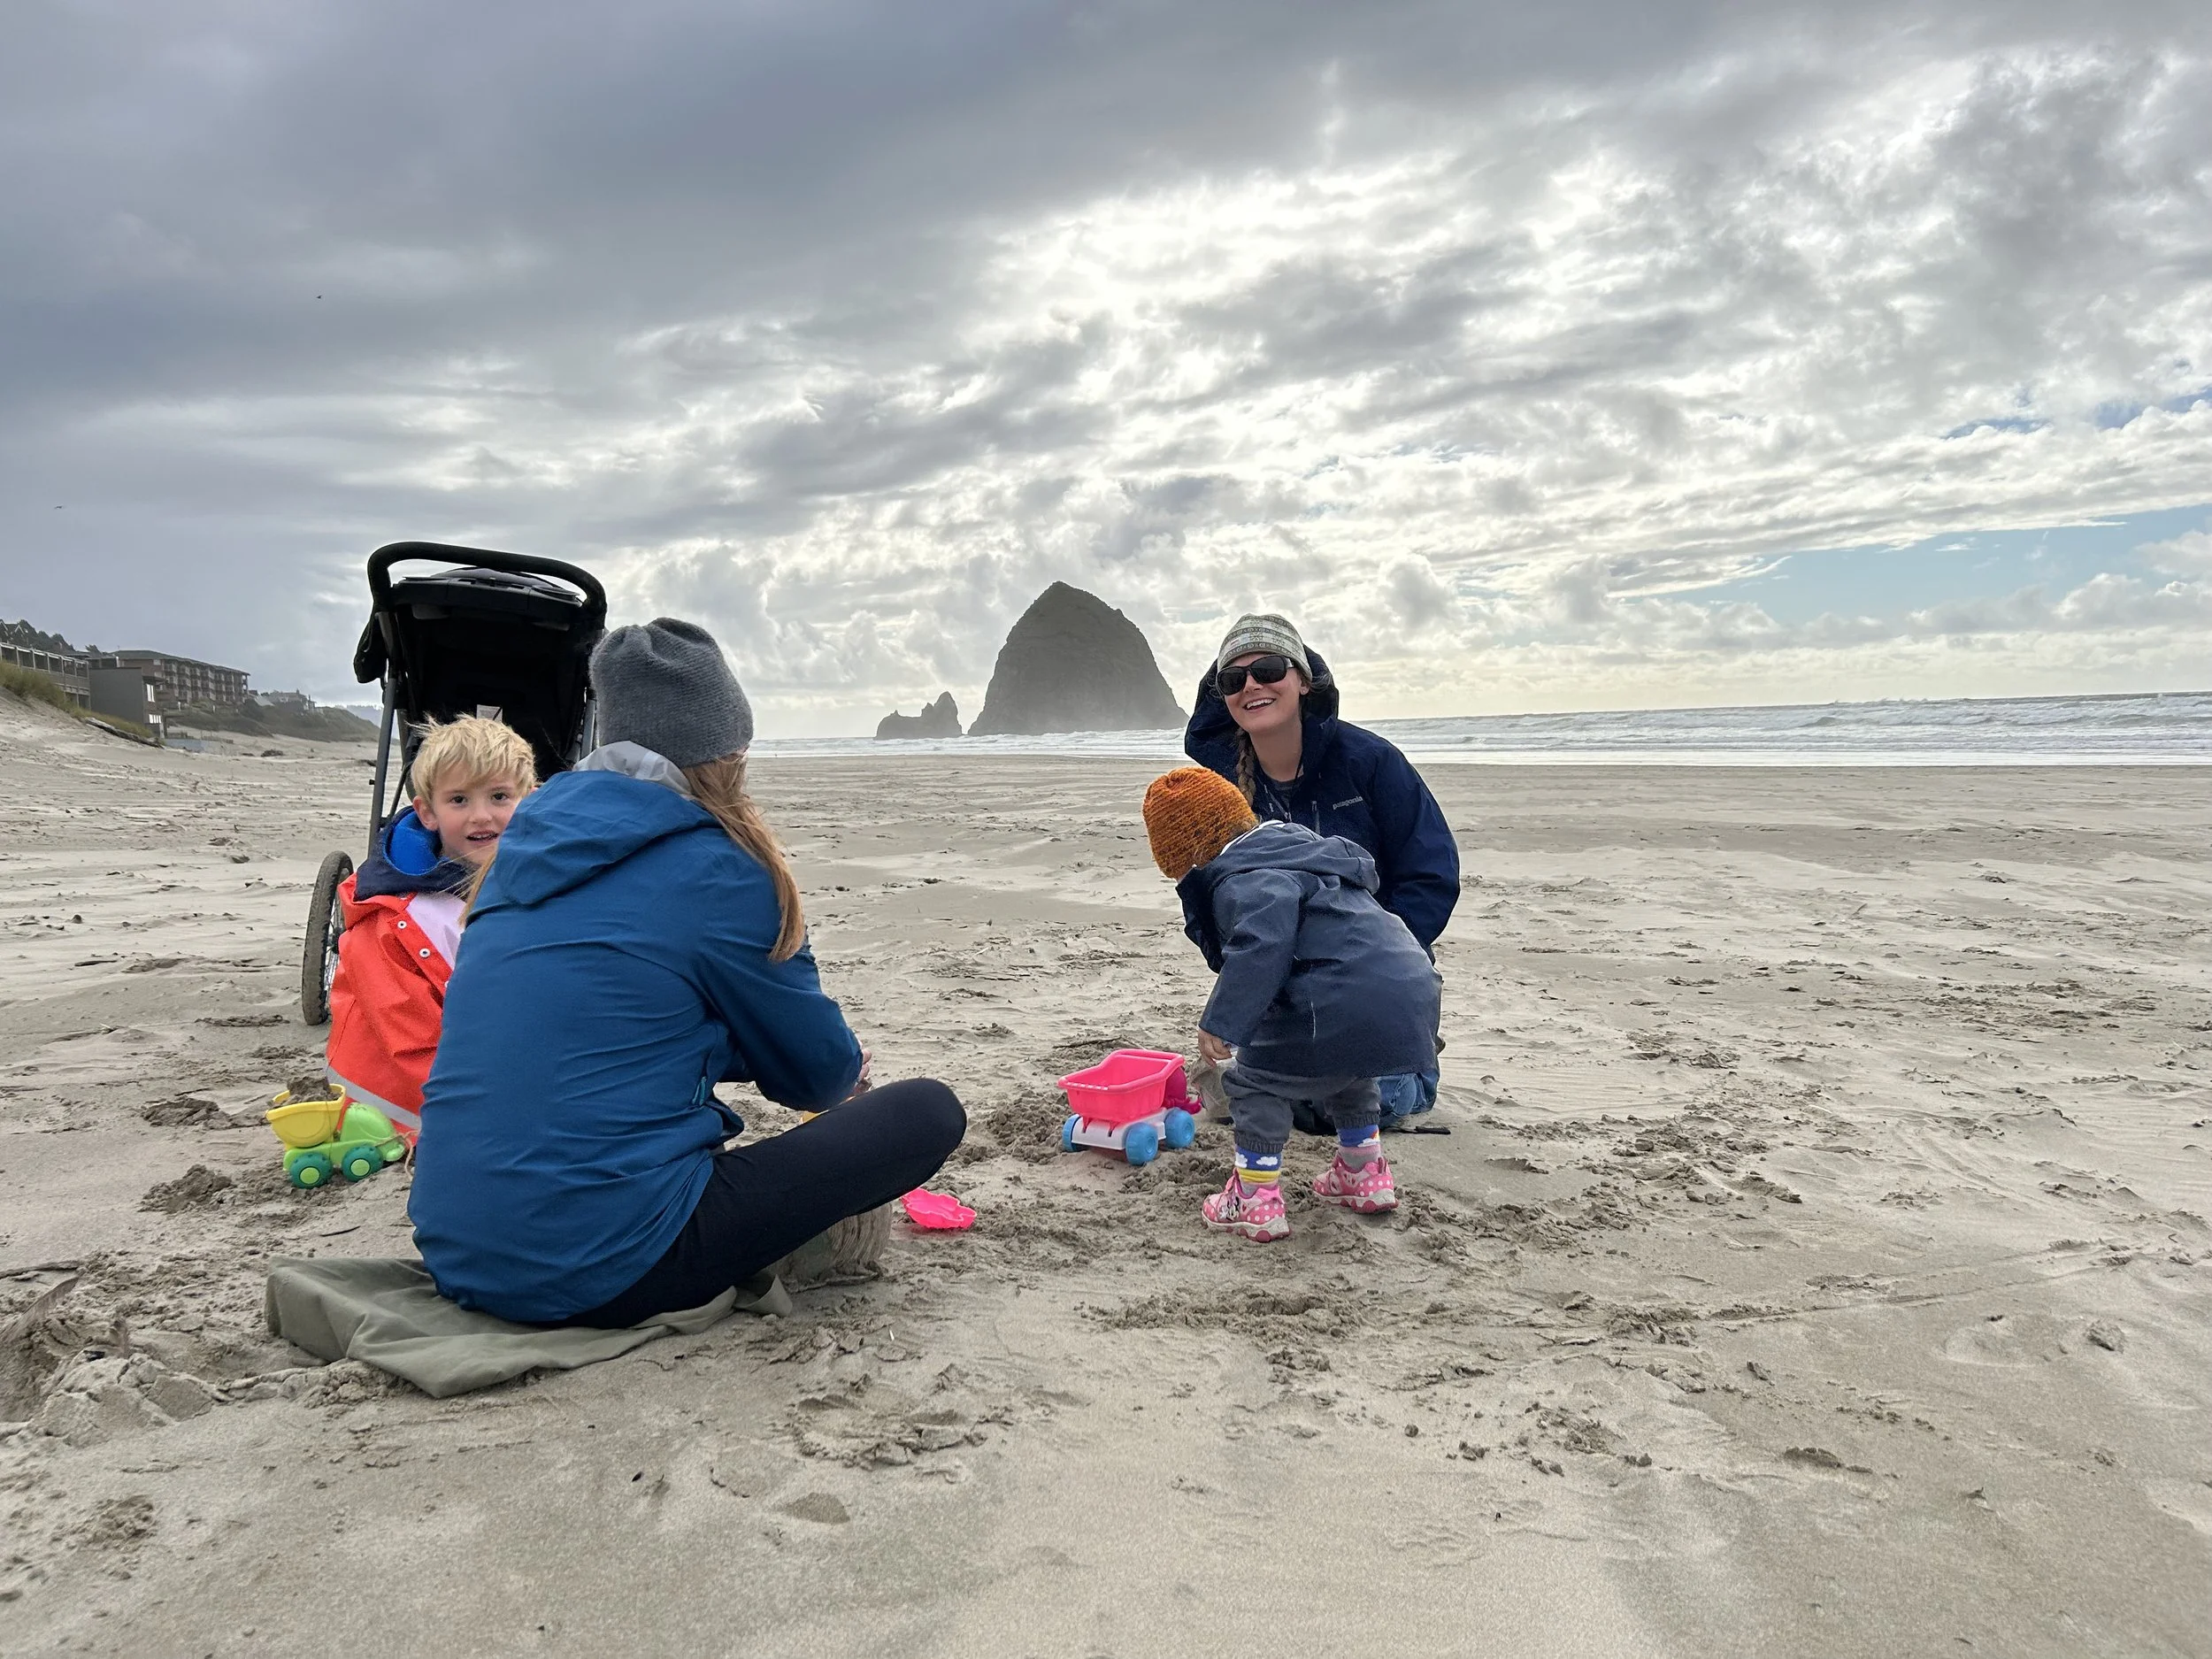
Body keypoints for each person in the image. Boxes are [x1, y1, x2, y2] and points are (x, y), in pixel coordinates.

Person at [408, 618, 965, 1326]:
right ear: (729, 750)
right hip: (602, 1265)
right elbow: (818, 1078)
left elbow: (606, 1020)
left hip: (456, 1247)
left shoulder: (517, 852)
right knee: (927, 1111)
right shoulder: (723, 869)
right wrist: (840, 1066)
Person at [1143, 766, 1442, 1242]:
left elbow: (1263, 945)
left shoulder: (1248, 879)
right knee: (1349, 1069)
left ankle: (1255, 1197)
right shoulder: (1302, 850)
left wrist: (1223, 1021)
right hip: (1409, 988)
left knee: (1257, 1082)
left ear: (1189, 856)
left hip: (1340, 996)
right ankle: (1364, 1174)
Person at [1184, 612, 1459, 1128]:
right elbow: (1225, 905)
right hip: (1285, 987)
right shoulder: (1222, 791)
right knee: (1242, 1094)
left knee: (1374, 1099)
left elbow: (1432, 874)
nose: (1252, 686)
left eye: (1268, 669)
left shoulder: (1371, 762)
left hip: (1371, 974)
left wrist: (1383, 946)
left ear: (1304, 680)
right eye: (1233, 679)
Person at [324, 715, 537, 1143]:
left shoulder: (540, 882)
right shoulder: (392, 917)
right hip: (396, 1106)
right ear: (427, 812)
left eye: (499, 796)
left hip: (484, 1065)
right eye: (459, 800)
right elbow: (411, 1043)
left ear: (530, 800)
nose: (482, 816)